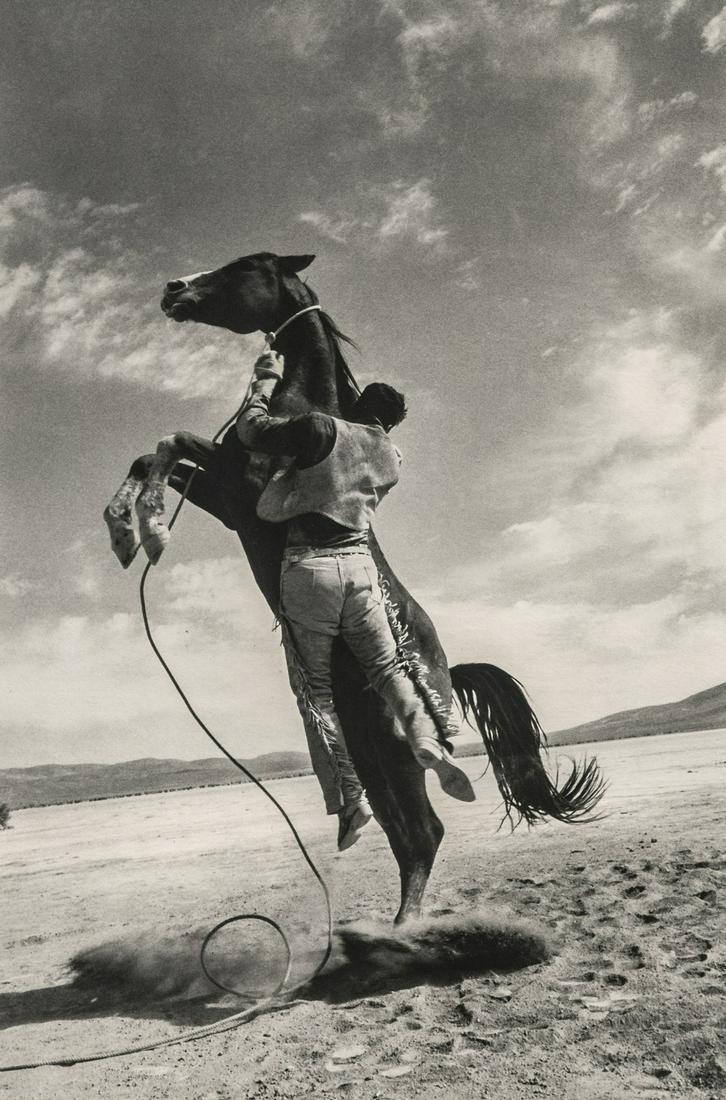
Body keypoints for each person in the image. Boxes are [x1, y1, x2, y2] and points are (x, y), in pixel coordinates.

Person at [237, 351, 475, 851]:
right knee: (391, 671)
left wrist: (266, 377)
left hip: (310, 568)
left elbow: (252, 430)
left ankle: (351, 798)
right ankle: (429, 743)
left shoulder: (323, 428)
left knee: (317, 695)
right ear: (390, 423)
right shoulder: (393, 458)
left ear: (356, 405)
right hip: (362, 569)